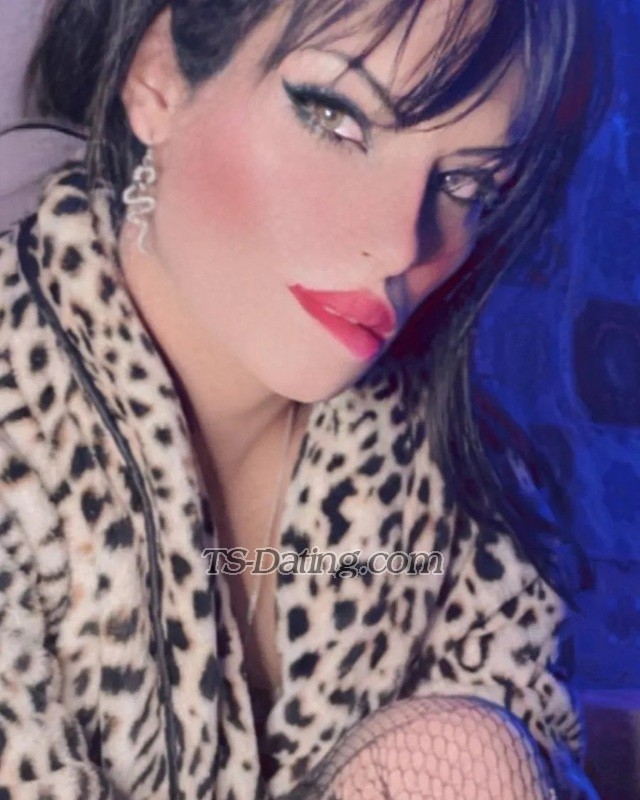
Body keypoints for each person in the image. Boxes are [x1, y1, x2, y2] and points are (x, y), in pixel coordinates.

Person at [0, 0, 610, 798]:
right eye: (336, 119)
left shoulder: (459, 495)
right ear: (159, 79)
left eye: (465, 182)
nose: (399, 243)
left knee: (468, 753)